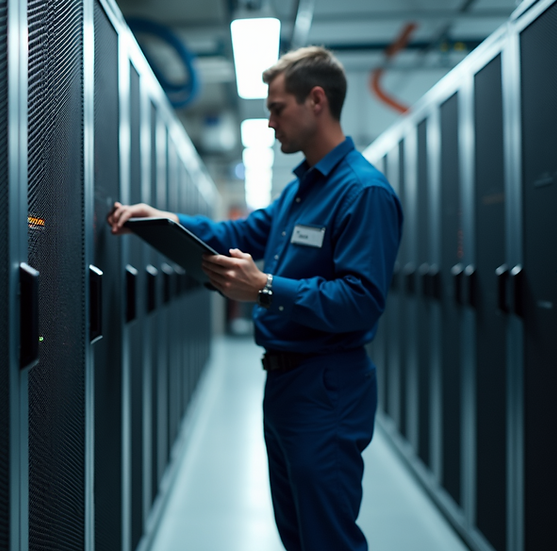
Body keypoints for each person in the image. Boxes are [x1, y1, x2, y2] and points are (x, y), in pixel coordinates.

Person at [107, 46, 402, 551]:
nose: (269, 122)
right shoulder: (300, 192)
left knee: (326, 537)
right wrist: (164, 222)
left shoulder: (362, 192)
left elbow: (361, 299)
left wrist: (264, 287)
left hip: (326, 385)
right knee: (298, 535)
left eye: (276, 108)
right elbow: (239, 231)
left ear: (316, 101)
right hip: (285, 382)